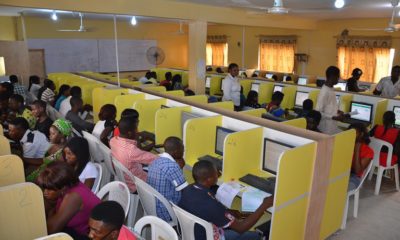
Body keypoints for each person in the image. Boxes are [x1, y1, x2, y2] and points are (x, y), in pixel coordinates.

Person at [179, 161, 273, 240]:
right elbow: (241, 228)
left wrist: (227, 212)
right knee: (255, 236)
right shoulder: (211, 204)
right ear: (209, 179)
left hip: (192, 234)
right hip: (209, 236)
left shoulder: (188, 189)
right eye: (216, 173)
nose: (218, 174)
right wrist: (264, 205)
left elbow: (207, 210)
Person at [37, 161, 100, 239]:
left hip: (86, 236)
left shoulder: (73, 197)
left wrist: (51, 206)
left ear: (62, 188)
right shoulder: (70, 184)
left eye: (49, 189)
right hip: (74, 230)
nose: (45, 192)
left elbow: (50, 231)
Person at [109, 116, 157, 192]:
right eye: (136, 129)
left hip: (124, 178)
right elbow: (155, 159)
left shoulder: (113, 141)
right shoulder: (131, 150)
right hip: (136, 184)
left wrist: (139, 136)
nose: (137, 131)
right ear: (129, 133)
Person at [147, 137, 188, 221]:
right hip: (166, 211)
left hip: (153, 205)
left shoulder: (156, 160)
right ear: (176, 152)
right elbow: (185, 190)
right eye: (182, 149)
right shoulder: (172, 166)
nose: (183, 152)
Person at [315, 66, 345, 135]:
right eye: (338, 76)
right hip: (325, 129)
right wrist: (334, 117)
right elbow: (318, 112)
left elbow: (329, 106)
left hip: (331, 126)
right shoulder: (324, 92)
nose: (339, 79)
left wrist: (338, 111)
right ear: (332, 76)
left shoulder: (330, 89)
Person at [348, 123, 374, 191]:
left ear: (361, 134)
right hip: (341, 173)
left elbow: (357, 171)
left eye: (354, 133)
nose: (351, 136)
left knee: (340, 188)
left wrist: (357, 150)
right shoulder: (346, 144)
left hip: (354, 177)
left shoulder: (368, 151)